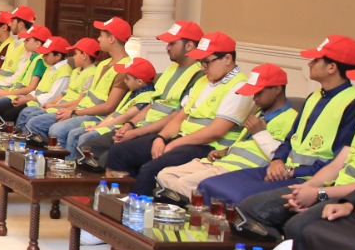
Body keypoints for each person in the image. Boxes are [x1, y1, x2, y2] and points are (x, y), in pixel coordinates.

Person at [237, 54, 355, 241]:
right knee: (250, 208)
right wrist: (307, 189)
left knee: (297, 226)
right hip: (332, 187)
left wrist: (318, 194)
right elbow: (337, 164)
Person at [199, 35, 355, 207]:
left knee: (240, 199)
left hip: (308, 179)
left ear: (332, 67)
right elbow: (291, 138)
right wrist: (278, 160)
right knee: (209, 185)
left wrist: (292, 171)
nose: (309, 64)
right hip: (283, 169)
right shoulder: (315, 96)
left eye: (316, 60)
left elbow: (339, 160)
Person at [104, 32, 252, 196]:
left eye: (207, 62)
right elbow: (181, 116)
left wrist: (174, 144)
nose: (203, 68)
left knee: (150, 170)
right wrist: (161, 138)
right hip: (181, 138)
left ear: (227, 59)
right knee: (119, 152)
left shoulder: (239, 87)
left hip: (206, 147)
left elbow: (216, 131)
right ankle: (115, 201)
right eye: (201, 62)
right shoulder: (203, 81)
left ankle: (137, 208)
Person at [154, 64, 298, 202]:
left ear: (277, 89)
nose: (254, 98)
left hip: (242, 171)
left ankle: (200, 215)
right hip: (223, 162)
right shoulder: (260, 113)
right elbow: (245, 144)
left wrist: (260, 133)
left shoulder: (292, 119)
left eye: (259, 92)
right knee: (165, 175)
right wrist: (225, 151)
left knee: (184, 184)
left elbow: (283, 158)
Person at [75, 21, 205, 169]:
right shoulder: (171, 69)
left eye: (172, 43)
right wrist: (129, 126)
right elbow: (152, 105)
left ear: (189, 46)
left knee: (110, 156)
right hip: (142, 126)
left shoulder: (198, 75)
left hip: (159, 132)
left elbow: (177, 116)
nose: (167, 47)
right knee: (89, 148)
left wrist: (135, 132)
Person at [37, 17, 132, 152]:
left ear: (112, 39)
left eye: (101, 36)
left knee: (57, 130)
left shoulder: (125, 68)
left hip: (98, 115)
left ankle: (65, 162)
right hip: (82, 110)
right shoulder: (103, 64)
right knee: (40, 120)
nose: (98, 39)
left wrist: (74, 112)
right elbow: (86, 96)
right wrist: (71, 109)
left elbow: (109, 106)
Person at [18, 38, 102, 141]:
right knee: (30, 114)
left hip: (67, 109)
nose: (73, 57)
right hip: (58, 107)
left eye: (75, 54)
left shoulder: (91, 74)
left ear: (84, 55)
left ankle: (43, 147)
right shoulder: (76, 71)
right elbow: (63, 93)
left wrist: (54, 105)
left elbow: (80, 101)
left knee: (35, 122)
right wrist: (50, 104)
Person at [0, 35, 72, 127]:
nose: (43, 56)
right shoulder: (51, 66)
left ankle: (19, 134)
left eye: (46, 54)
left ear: (58, 56)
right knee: (1, 111)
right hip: (33, 99)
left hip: (44, 104)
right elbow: (39, 89)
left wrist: (27, 98)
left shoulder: (64, 71)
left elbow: (52, 96)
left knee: (12, 114)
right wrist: (26, 97)